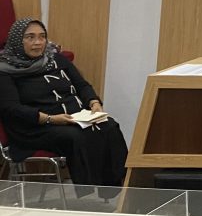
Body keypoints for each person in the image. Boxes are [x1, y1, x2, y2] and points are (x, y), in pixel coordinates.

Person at [0, 18, 127, 186]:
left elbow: (82, 85)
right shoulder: (5, 71)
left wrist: (94, 103)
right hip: (34, 127)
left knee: (109, 126)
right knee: (75, 137)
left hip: (72, 118)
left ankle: (118, 186)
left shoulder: (56, 59)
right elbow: (11, 108)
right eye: (30, 37)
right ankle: (89, 188)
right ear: (17, 40)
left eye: (42, 36)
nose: (38, 42)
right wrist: (50, 119)